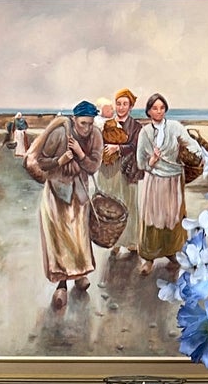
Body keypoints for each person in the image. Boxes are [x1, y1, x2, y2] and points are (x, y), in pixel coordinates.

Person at [24, 99, 103, 307]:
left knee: (79, 237)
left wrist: (80, 153)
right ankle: (62, 286)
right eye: (83, 123)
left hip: (79, 192)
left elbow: (94, 166)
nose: (87, 128)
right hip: (57, 192)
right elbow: (41, 162)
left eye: (90, 123)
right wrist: (60, 161)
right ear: (74, 119)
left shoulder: (95, 135)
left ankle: (80, 274)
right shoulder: (60, 134)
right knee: (59, 240)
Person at [135, 92, 189, 273]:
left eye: (162, 108)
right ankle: (148, 257)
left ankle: (172, 252)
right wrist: (151, 161)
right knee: (153, 217)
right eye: (154, 108)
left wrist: (195, 155)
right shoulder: (145, 132)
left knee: (173, 217)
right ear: (148, 111)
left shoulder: (175, 127)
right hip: (154, 180)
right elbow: (140, 162)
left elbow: (190, 145)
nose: (159, 111)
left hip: (174, 179)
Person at [96, 89, 141, 259]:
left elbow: (136, 146)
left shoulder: (136, 126)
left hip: (128, 168)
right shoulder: (107, 123)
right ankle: (115, 241)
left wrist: (119, 148)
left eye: (125, 104)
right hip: (109, 168)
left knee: (129, 203)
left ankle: (131, 241)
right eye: (119, 104)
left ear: (130, 106)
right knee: (112, 203)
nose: (121, 107)